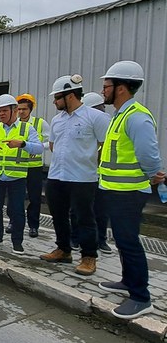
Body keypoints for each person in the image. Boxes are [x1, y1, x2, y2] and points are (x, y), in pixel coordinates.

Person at [97, 61, 164, 319]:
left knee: (129, 241)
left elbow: (149, 155)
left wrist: (152, 176)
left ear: (121, 88)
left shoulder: (136, 116)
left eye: (107, 87)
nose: (103, 91)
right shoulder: (120, 114)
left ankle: (141, 296)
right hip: (115, 190)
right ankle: (127, 281)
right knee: (123, 240)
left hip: (130, 192)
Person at [39, 75, 110, 277]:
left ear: (70, 96)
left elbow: (108, 144)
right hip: (56, 176)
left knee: (85, 218)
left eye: (57, 97)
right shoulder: (57, 120)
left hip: (82, 178)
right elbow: (52, 145)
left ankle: (89, 257)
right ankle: (64, 250)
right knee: (58, 216)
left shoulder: (95, 117)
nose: (54, 102)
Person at [0, 94, 42, 255]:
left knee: (17, 209)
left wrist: (23, 144)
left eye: (4, 111)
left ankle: (17, 242)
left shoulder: (26, 128)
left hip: (17, 176)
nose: (1, 114)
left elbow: (39, 148)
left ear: (15, 111)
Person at [70, 91, 113, 255]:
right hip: (81, 174)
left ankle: (100, 240)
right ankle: (74, 238)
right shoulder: (81, 125)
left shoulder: (106, 124)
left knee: (101, 210)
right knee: (77, 209)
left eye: (101, 108)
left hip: (102, 175)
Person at [6, 93, 48, 238]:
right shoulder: (14, 125)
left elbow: (50, 142)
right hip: (17, 166)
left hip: (34, 167)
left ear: (31, 109)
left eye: (25, 109)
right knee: (14, 197)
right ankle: (13, 221)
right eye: (19, 109)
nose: (22, 112)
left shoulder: (40, 123)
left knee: (34, 198)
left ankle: (33, 226)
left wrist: (35, 147)